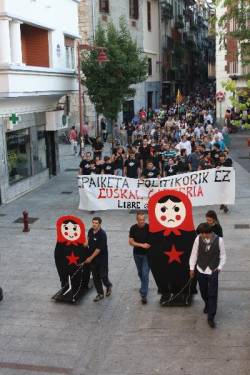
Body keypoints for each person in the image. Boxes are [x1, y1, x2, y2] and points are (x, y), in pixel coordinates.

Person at [189, 223, 226, 328]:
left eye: (203, 234)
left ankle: (211, 317)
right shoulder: (198, 239)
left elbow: (223, 256)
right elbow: (194, 254)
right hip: (201, 270)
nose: (202, 235)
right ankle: (207, 303)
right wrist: (192, 268)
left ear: (208, 233)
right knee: (204, 291)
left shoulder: (219, 241)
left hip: (213, 270)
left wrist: (219, 268)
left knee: (213, 294)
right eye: (201, 234)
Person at [85, 217, 112, 302]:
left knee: (103, 276)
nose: (94, 224)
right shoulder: (90, 230)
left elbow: (98, 250)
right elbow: (88, 240)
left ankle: (108, 286)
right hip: (93, 260)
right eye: (93, 222)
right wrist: (84, 244)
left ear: (100, 224)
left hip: (102, 259)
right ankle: (100, 294)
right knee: (95, 277)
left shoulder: (102, 234)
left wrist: (90, 258)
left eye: (96, 223)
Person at [129, 213, 151, 304]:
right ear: (137, 220)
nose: (142, 221)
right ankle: (144, 285)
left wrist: (149, 244)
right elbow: (130, 242)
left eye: (143, 219)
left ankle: (143, 294)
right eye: (140, 220)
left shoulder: (149, 227)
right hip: (137, 254)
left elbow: (153, 239)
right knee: (140, 273)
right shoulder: (133, 228)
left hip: (147, 255)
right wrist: (141, 245)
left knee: (145, 274)